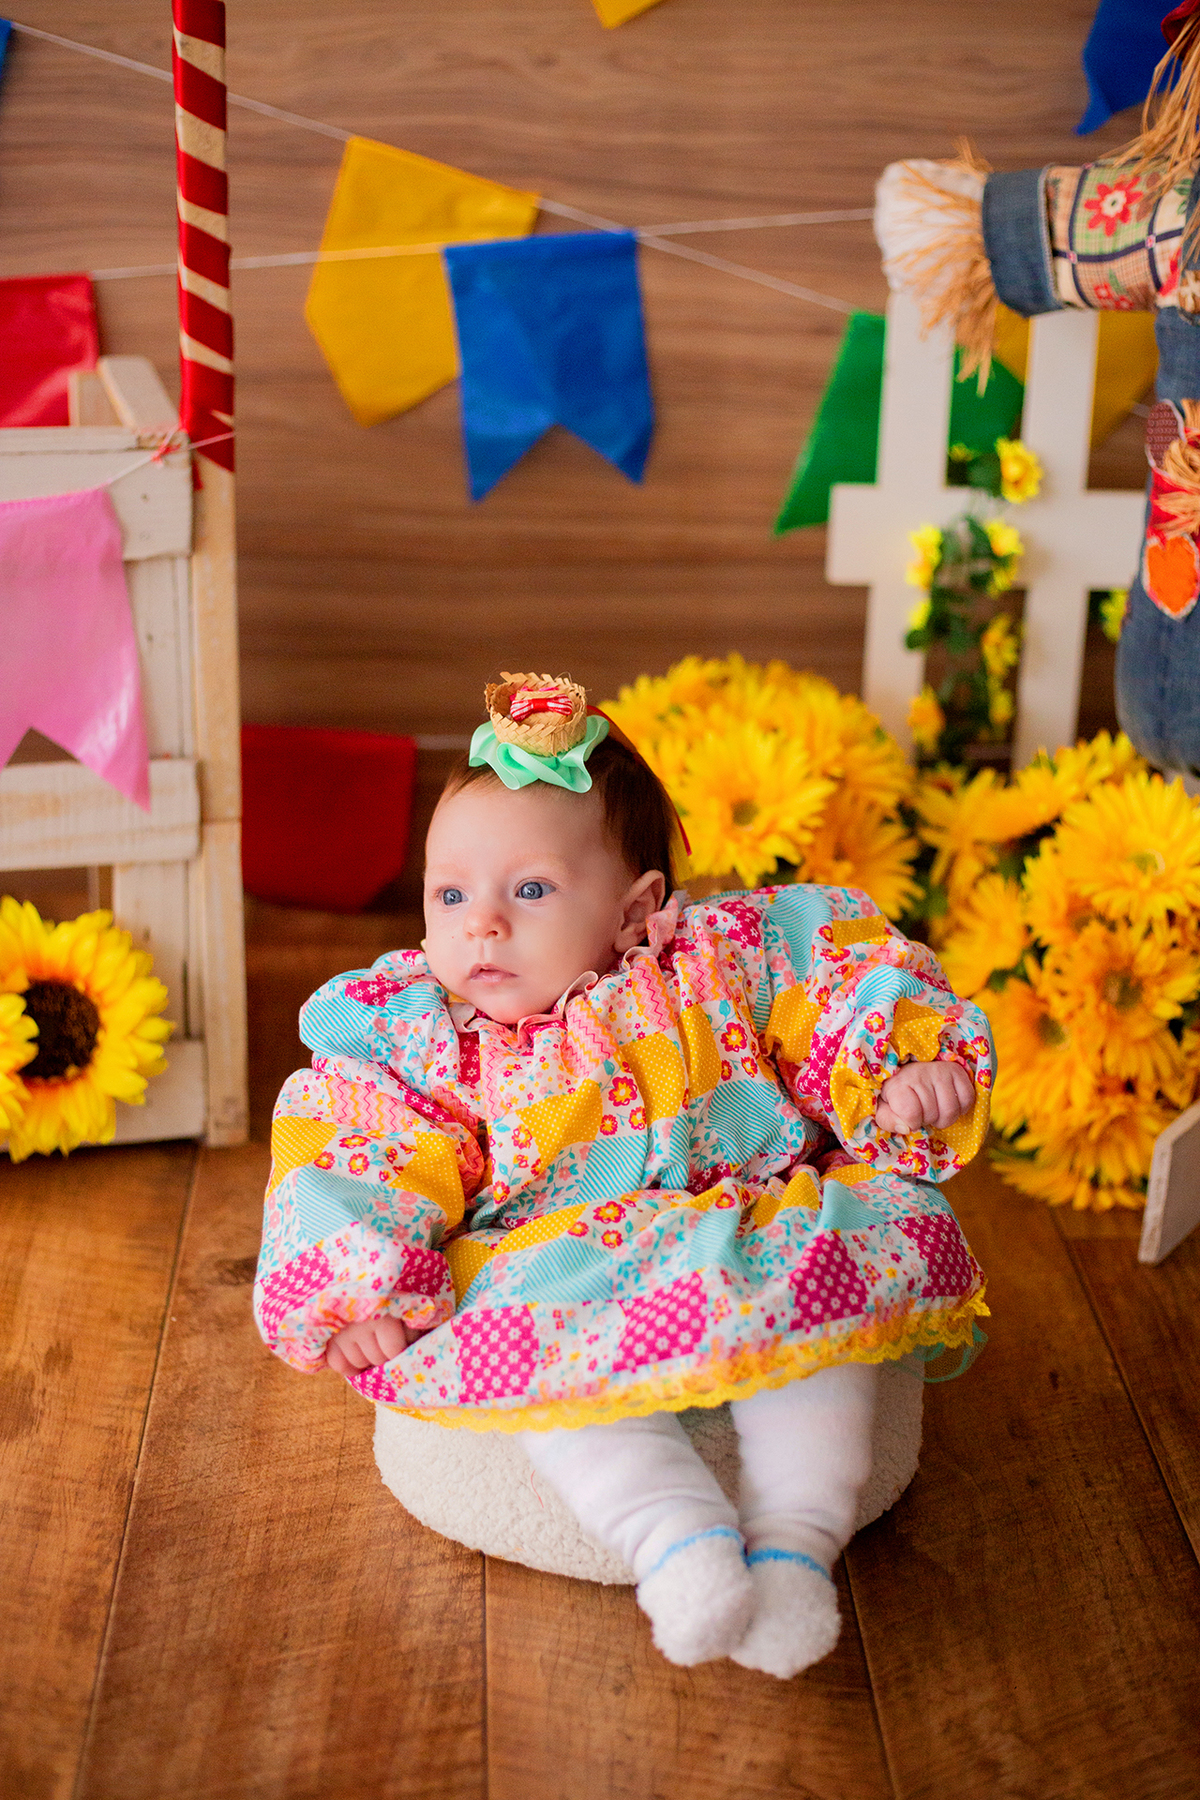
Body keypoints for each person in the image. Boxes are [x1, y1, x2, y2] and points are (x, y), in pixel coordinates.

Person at [254, 672, 992, 1678]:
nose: (481, 924)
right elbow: (355, 1138)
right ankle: (676, 1542)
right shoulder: (428, 1040)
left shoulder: (720, 961)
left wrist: (900, 1066)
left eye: (530, 890)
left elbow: (831, 980)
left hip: (755, 1214)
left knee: (831, 1295)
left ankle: (796, 1544)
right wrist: (361, 1280)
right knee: (544, 1367)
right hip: (560, 1260)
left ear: (635, 907)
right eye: (451, 893)